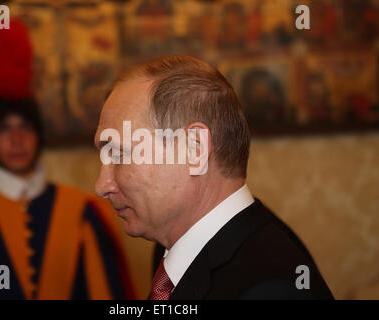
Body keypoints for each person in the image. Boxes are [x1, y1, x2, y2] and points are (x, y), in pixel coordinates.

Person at [94, 55, 334, 300]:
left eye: (118, 154)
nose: (102, 186)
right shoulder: (171, 255)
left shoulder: (271, 290)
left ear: (194, 149)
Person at [0, 96, 137, 300]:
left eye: (26, 127)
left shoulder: (84, 212)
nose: (16, 139)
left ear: (39, 134)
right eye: (3, 129)